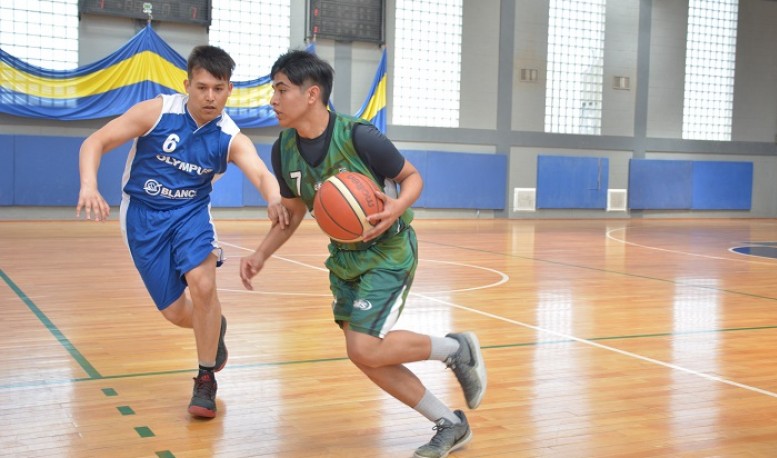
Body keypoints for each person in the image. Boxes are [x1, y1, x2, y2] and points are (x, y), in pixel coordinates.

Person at [239, 50, 487, 458]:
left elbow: (411, 177)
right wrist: (262, 253)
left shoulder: (358, 135)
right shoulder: (283, 149)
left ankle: (455, 350)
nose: (273, 99)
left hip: (388, 250)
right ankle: (450, 422)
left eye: (281, 89)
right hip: (345, 259)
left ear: (312, 94)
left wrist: (395, 207)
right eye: (274, 90)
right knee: (365, 354)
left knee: (364, 347)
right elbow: (295, 209)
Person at [76, 45, 289, 419]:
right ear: (187, 84)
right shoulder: (157, 112)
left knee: (204, 285)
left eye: (218, 88)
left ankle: (205, 377)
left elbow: (258, 170)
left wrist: (274, 197)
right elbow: (96, 141)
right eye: (203, 87)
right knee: (176, 313)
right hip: (142, 216)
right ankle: (213, 324)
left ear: (229, 90)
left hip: (191, 214)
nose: (210, 96)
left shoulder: (229, 135)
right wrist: (88, 185)